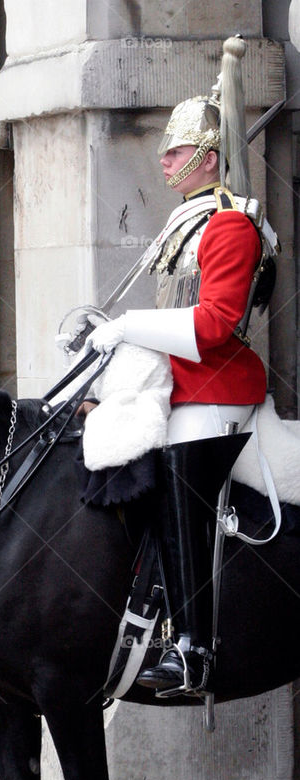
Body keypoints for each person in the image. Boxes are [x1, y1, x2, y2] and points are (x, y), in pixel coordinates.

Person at [85, 37, 279, 695]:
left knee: (177, 489)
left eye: (174, 148)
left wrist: (126, 329)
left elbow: (214, 325)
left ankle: (192, 647)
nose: (163, 157)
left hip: (215, 389)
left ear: (206, 154)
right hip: (179, 387)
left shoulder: (228, 226)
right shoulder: (185, 224)